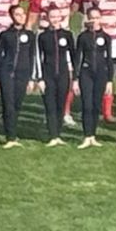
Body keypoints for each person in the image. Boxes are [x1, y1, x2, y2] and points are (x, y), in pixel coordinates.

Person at [0, 5, 36, 147]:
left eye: (22, 14)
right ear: (11, 16)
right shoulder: (5, 35)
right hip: (7, 73)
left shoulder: (30, 35)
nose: (21, 17)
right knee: (8, 104)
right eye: (17, 14)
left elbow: (32, 56)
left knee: (17, 103)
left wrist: (31, 77)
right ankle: (10, 137)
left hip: (23, 73)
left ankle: (12, 130)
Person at [36, 17, 76, 146]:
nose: (54, 19)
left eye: (56, 17)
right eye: (51, 17)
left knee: (61, 105)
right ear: (48, 18)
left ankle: (58, 134)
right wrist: (40, 78)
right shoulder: (43, 36)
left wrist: (75, 77)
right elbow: (38, 57)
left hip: (63, 74)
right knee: (50, 105)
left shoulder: (67, 35)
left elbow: (74, 56)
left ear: (60, 18)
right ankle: (52, 135)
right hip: (48, 74)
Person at [76, 21, 116, 148]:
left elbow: (109, 59)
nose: (94, 21)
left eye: (97, 17)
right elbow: (78, 57)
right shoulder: (83, 37)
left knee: (95, 106)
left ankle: (93, 136)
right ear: (88, 19)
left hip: (101, 74)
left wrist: (110, 80)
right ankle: (86, 136)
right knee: (87, 105)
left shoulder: (105, 37)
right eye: (92, 18)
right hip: (86, 73)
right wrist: (75, 78)